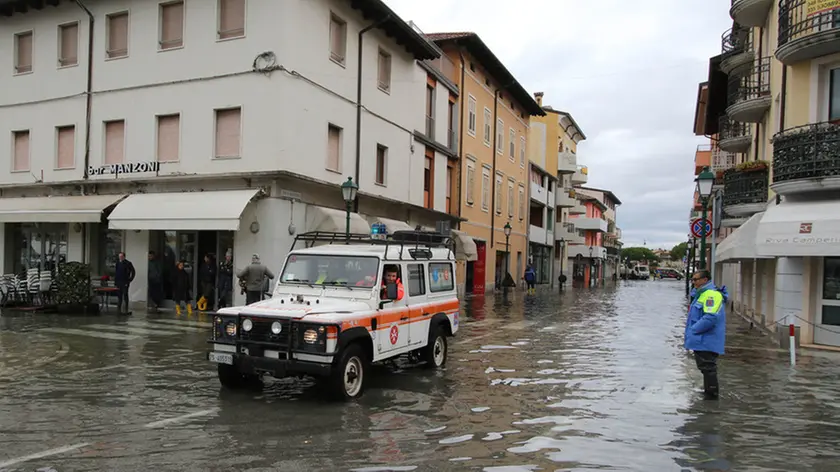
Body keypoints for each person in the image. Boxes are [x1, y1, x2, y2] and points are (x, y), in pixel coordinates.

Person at [684, 270, 729, 399]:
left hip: (706, 340)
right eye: (693, 279)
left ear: (705, 280)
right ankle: (708, 393)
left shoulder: (711, 295)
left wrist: (693, 330)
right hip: (702, 340)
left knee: (708, 368)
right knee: (705, 368)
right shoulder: (702, 294)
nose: (694, 282)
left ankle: (711, 397)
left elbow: (710, 317)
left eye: (696, 279)